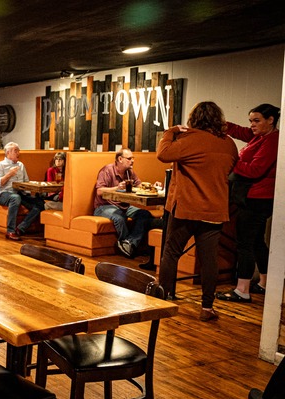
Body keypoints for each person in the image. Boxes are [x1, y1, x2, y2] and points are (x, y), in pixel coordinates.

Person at [156, 101, 238, 321]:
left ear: (194, 119)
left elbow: (163, 154)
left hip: (186, 208)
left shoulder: (187, 139)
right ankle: (207, 308)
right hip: (214, 210)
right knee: (209, 259)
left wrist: (171, 131)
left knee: (171, 253)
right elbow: (232, 166)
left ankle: (162, 300)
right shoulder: (228, 143)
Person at [217, 103, 279, 304]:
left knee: (244, 243)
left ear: (270, 120)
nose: (252, 125)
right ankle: (264, 283)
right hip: (256, 198)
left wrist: (231, 159)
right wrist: (218, 123)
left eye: (257, 120)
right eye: (251, 120)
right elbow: (238, 130)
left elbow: (255, 170)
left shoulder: (272, 140)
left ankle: (242, 290)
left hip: (256, 199)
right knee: (257, 241)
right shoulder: (261, 136)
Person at [94, 148, 156, 258]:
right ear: (120, 159)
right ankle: (128, 244)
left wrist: (153, 186)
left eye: (133, 158)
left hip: (124, 206)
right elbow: (99, 191)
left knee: (144, 214)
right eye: (129, 158)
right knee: (119, 217)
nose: (132, 161)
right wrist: (117, 188)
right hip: (104, 206)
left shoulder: (129, 172)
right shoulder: (107, 170)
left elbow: (139, 185)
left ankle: (128, 243)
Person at [0, 142, 46, 240]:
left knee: (40, 203)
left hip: (20, 193)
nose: (18, 153)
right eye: (16, 151)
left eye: (18, 150)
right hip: (3, 194)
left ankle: (21, 228)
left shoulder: (21, 165)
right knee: (15, 198)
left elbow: (26, 181)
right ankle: (10, 231)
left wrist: (30, 194)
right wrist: (9, 174)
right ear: (8, 153)